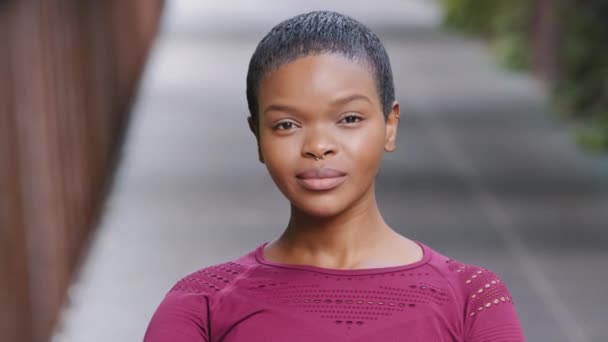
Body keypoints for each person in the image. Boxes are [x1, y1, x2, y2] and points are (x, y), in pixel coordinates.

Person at [144, 10, 525, 341]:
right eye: (286, 125)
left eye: (349, 119)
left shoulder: (473, 297)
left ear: (390, 125)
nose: (319, 145)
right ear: (258, 137)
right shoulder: (201, 303)